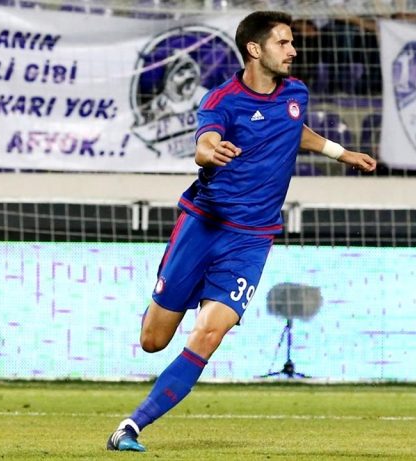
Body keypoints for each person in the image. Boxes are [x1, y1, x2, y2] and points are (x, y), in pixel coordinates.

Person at [106, 10, 376, 452]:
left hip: (251, 239)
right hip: (203, 226)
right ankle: (177, 295)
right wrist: (209, 153)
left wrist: (340, 152)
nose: (293, 50)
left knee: (209, 334)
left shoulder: (296, 93)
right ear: (255, 49)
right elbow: (205, 142)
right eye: (283, 42)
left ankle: (130, 427)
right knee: (153, 341)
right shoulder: (222, 100)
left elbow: (294, 129)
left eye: (292, 42)